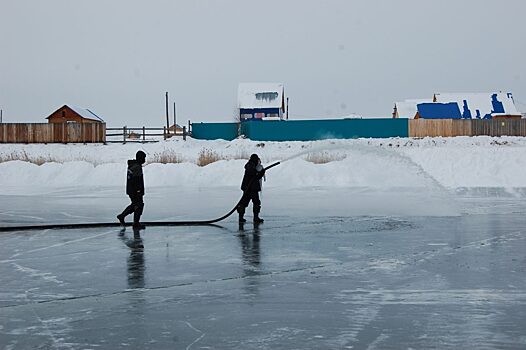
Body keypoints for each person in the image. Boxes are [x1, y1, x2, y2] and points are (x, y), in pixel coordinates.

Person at [117, 150, 146, 229]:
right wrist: (139, 191)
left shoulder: (133, 165)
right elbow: (136, 181)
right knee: (138, 205)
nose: (145, 160)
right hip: (135, 191)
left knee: (135, 205)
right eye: (144, 158)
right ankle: (135, 223)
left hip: (131, 190)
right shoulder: (137, 167)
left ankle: (123, 216)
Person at [237, 153, 265, 223]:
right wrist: (258, 172)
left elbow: (257, 176)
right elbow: (253, 173)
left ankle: (254, 217)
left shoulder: (252, 165)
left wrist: (262, 172)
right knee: (248, 203)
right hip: (250, 188)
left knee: (251, 203)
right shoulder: (250, 165)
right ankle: (245, 217)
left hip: (251, 188)